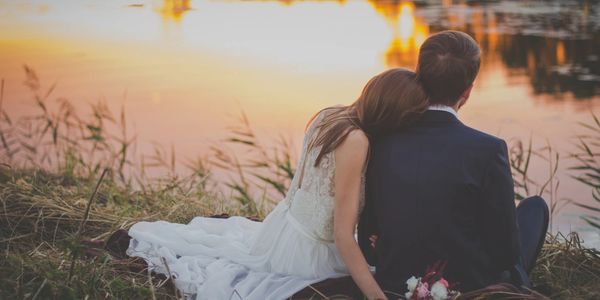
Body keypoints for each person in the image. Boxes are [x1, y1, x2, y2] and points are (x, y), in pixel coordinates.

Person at [126, 68, 429, 300]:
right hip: (308, 254)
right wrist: (375, 296)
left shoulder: (331, 114)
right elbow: (341, 235)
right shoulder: (356, 141)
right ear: (393, 115)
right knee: (373, 279)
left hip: (281, 229)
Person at [357, 30, 549, 296]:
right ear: (468, 91)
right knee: (534, 209)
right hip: (467, 285)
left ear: (419, 77)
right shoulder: (488, 150)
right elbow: (505, 253)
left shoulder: (380, 142)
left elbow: (368, 241)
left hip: (396, 282)